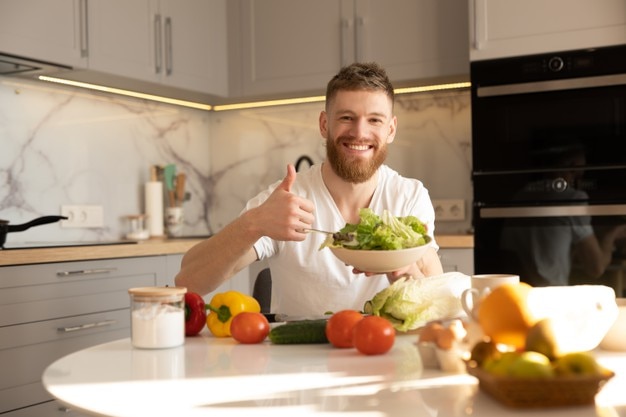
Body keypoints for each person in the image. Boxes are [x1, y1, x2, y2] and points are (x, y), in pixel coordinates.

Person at [175, 62, 443, 316]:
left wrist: (407, 272)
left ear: (391, 129)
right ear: (324, 124)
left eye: (374, 120)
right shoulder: (284, 202)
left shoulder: (409, 197)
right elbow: (188, 280)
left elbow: (440, 301)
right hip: (300, 360)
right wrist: (253, 223)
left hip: (386, 353)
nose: (359, 132)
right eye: (347, 117)